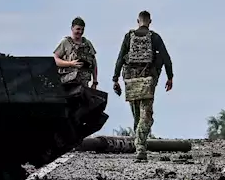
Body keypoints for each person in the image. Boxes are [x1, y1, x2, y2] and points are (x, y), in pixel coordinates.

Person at [112, 10, 173, 161]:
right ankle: (140, 147)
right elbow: (166, 58)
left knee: (137, 115)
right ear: (150, 22)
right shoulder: (155, 37)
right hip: (148, 80)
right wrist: (170, 77)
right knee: (146, 116)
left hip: (130, 80)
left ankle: (140, 146)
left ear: (137, 21)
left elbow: (120, 58)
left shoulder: (128, 37)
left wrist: (115, 79)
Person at [54, 17, 98, 88]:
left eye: (82, 29)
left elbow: (94, 63)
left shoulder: (87, 43)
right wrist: (70, 63)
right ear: (72, 28)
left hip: (84, 82)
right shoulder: (65, 42)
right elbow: (56, 60)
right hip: (68, 82)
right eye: (78, 29)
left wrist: (95, 82)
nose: (80, 32)